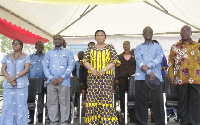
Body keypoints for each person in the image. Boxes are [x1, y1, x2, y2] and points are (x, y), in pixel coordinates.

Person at [82, 30, 120, 124]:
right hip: (93, 78)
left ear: (105, 37)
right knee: (92, 99)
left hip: (106, 78)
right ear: (95, 37)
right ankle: (93, 122)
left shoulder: (110, 47)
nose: (100, 37)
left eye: (102, 35)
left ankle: (106, 122)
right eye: (98, 35)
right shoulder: (90, 48)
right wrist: (92, 70)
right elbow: (84, 61)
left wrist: (104, 70)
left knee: (106, 99)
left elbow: (115, 61)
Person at [168, 25, 200, 125]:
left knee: (195, 103)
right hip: (180, 79)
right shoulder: (174, 47)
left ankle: (194, 122)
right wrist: (171, 76)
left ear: (191, 33)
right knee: (182, 103)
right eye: (183, 31)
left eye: (187, 30)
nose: (185, 32)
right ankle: (184, 122)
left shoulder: (197, 46)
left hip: (195, 79)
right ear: (180, 33)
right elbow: (170, 63)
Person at [134, 26, 165, 125]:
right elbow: (139, 61)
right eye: (146, 32)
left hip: (155, 78)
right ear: (143, 34)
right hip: (141, 78)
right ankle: (140, 123)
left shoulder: (158, 47)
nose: (148, 33)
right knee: (141, 103)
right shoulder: (138, 48)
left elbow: (159, 59)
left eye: (150, 31)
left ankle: (159, 123)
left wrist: (148, 68)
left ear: (152, 34)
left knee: (157, 103)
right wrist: (148, 72)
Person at [43, 35, 75, 125]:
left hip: (64, 82)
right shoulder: (48, 53)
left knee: (64, 103)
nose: (57, 40)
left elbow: (71, 66)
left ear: (62, 41)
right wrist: (51, 78)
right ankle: (53, 121)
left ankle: (64, 122)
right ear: (53, 41)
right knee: (52, 103)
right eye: (55, 39)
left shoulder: (68, 52)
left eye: (59, 39)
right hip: (51, 82)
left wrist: (62, 77)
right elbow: (45, 67)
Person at [0, 39, 31, 125]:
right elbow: (3, 69)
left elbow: (27, 69)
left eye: (17, 44)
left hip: (21, 85)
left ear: (21, 46)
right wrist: (10, 79)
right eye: (13, 44)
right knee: (8, 105)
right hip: (9, 85)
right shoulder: (6, 57)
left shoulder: (26, 57)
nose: (14, 45)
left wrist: (15, 77)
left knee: (21, 105)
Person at [115, 41, 136, 122]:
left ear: (130, 46)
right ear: (123, 46)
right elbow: (117, 68)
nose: (126, 46)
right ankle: (123, 114)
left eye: (127, 44)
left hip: (132, 78)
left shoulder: (134, 56)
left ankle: (132, 115)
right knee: (122, 96)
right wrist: (116, 78)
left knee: (132, 96)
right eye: (124, 45)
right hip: (122, 78)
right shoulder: (119, 56)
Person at [27, 41, 46, 124]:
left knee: (41, 100)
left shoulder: (46, 57)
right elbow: (27, 69)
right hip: (31, 82)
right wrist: (27, 80)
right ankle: (31, 117)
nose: (41, 46)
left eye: (42, 45)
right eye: (39, 45)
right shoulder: (30, 57)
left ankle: (41, 117)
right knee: (31, 99)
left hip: (43, 81)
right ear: (35, 47)